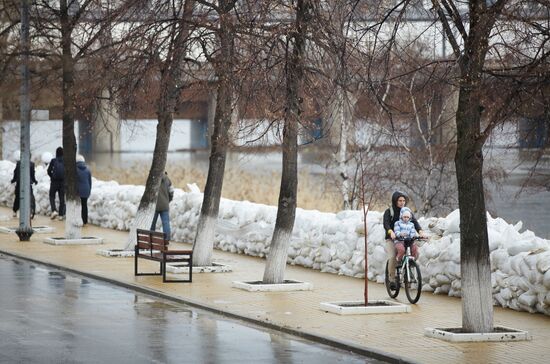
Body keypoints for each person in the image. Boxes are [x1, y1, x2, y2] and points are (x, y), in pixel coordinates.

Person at [383, 191, 424, 288]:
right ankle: (392, 279)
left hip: (406, 239)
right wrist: (391, 232)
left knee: (416, 253)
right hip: (392, 239)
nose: (402, 202)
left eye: (403, 200)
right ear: (395, 201)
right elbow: (386, 224)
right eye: (400, 200)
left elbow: (414, 222)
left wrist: (420, 231)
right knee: (393, 256)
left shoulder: (407, 211)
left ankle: (407, 269)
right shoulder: (389, 212)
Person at [11, 154, 38, 219]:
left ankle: (15, 211)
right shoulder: (31, 164)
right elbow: (32, 174)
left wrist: (13, 180)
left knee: (18, 197)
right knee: (31, 197)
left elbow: (15, 173)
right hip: (28, 183)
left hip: (19, 182)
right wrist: (34, 181)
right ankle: (32, 211)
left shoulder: (19, 163)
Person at [151, 172, 174, 240]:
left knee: (152, 223)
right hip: (165, 205)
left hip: (154, 205)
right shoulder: (168, 179)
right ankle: (167, 239)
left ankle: (151, 238)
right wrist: (168, 200)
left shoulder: (153, 179)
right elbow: (171, 192)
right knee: (166, 223)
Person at [47, 147, 65, 220]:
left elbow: (48, 171)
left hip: (54, 182)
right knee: (62, 198)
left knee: (52, 196)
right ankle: (61, 215)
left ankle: (54, 210)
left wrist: (52, 176)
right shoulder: (65, 161)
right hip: (63, 182)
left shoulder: (53, 160)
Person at [76, 154, 92, 225]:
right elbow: (90, 181)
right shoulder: (88, 170)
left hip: (78, 191)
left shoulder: (75, 170)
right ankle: (85, 221)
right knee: (84, 205)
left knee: (77, 206)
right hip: (86, 189)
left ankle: (78, 220)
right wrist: (89, 190)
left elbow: (74, 182)